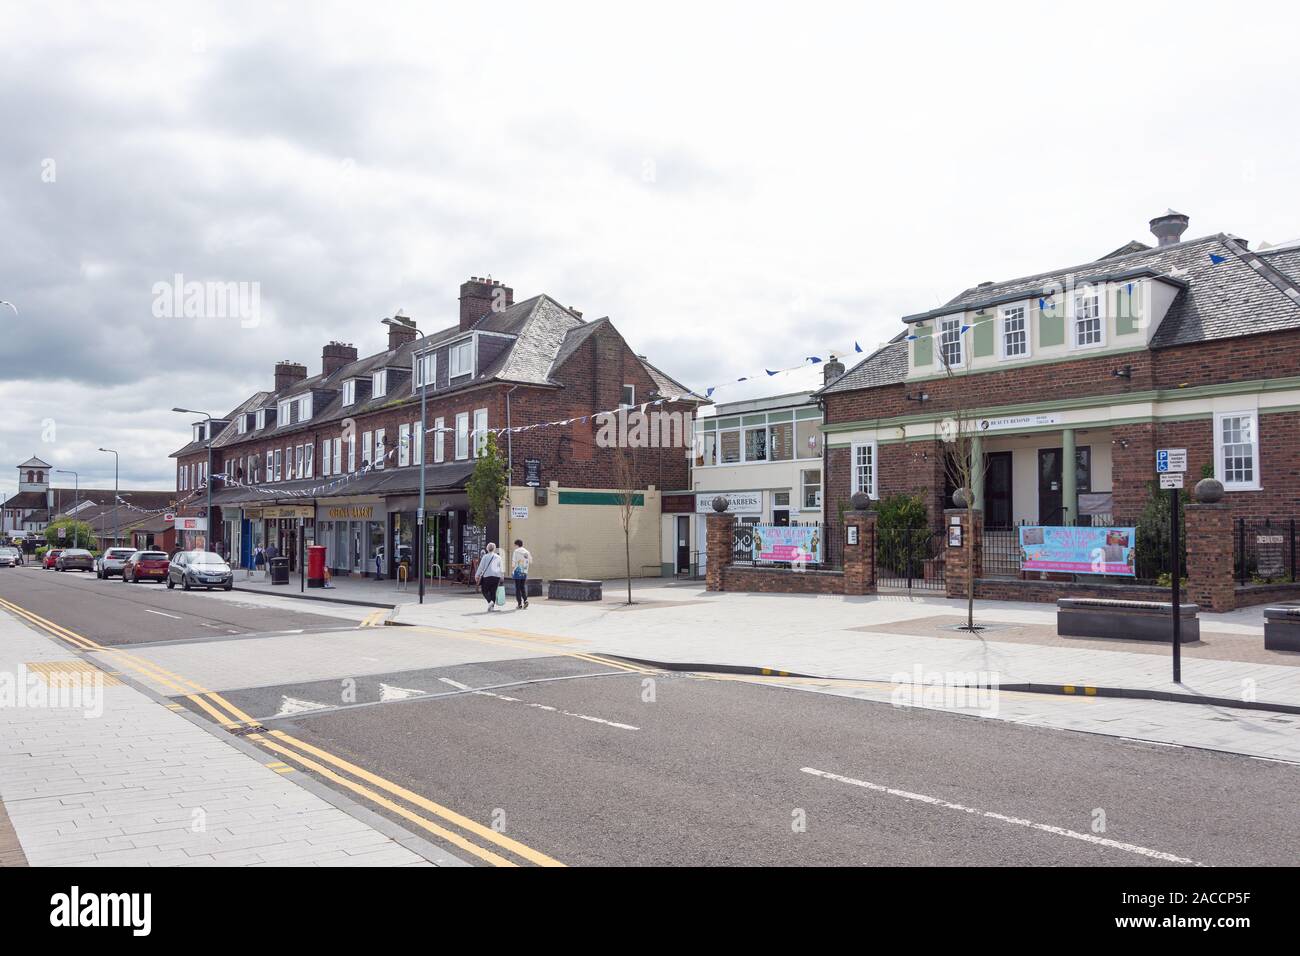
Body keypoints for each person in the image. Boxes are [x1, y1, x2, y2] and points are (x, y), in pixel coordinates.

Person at [475, 542, 504, 612]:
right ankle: (492, 607)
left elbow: (481, 567)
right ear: (494, 549)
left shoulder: (485, 557)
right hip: (496, 577)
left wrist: (477, 575)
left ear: (487, 549)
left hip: (487, 576)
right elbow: (501, 568)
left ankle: (490, 602)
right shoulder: (498, 557)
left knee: (484, 590)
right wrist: (502, 576)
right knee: (493, 591)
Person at [510, 538, 532, 609]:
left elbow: (513, 562)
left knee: (517, 588)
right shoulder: (526, 552)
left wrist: (512, 571)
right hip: (524, 571)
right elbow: (530, 561)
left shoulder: (516, 551)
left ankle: (519, 604)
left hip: (517, 571)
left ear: (517, 545)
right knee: (522, 587)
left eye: (515, 545)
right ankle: (525, 600)